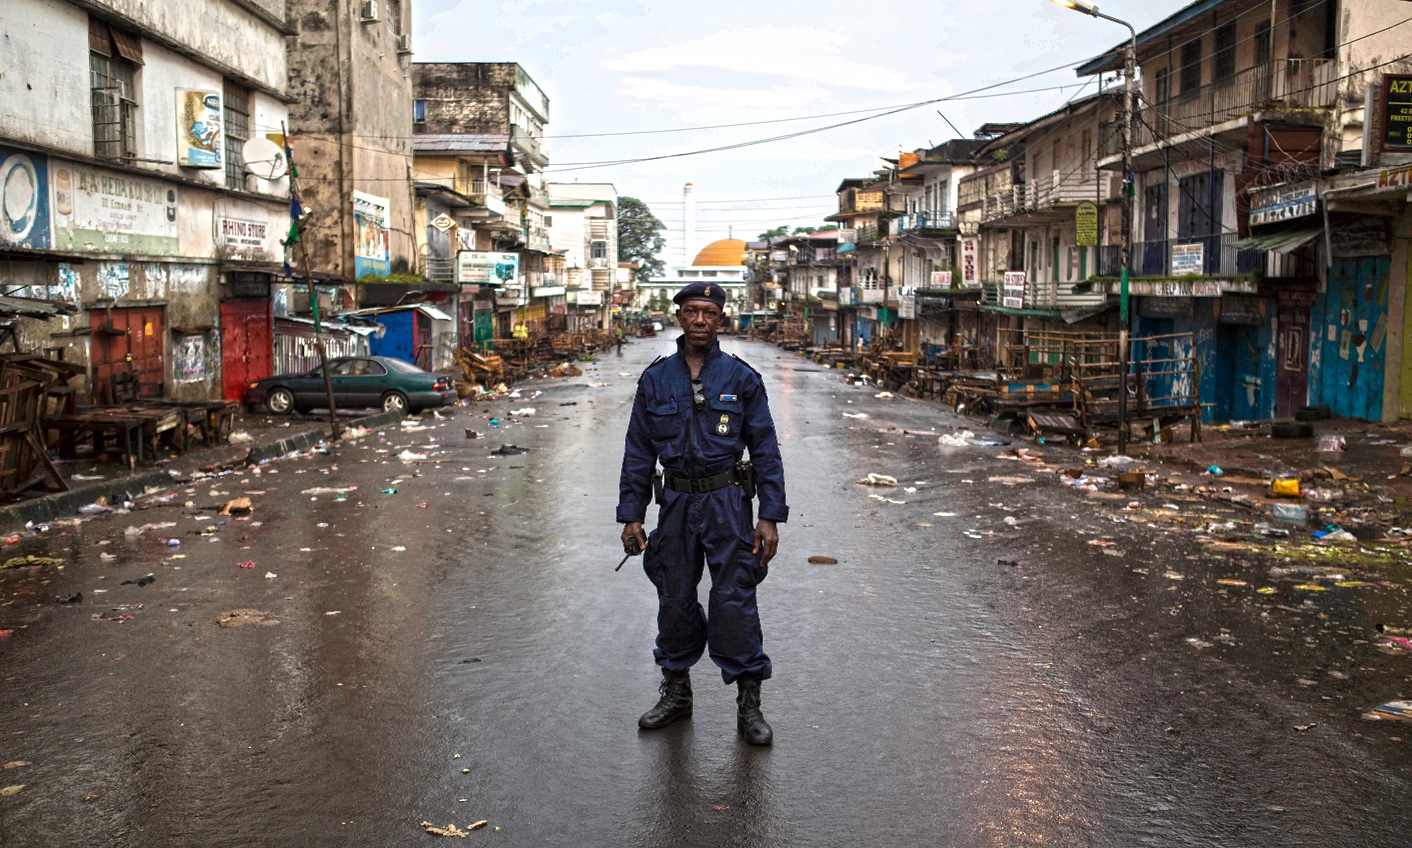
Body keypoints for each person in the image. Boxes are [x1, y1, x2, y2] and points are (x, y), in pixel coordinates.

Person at [617, 281, 788, 746]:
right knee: (673, 597)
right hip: (674, 503)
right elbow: (637, 452)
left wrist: (769, 515)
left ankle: (749, 704)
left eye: (708, 313)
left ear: (720, 320)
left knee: (734, 598)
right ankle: (677, 694)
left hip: (728, 503)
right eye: (691, 311)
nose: (699, 320)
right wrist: (631, 514)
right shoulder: (655, 379)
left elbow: (766, 449)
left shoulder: (741, 379)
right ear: (679, 316)